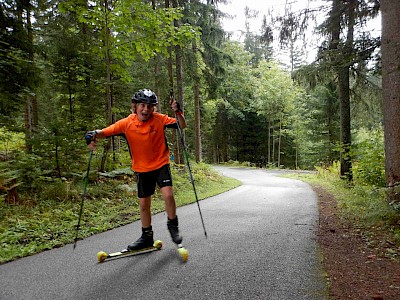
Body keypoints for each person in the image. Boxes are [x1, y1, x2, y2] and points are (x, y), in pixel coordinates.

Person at [84, 89, 186, 250]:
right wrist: (92, 134)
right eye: (142, 105)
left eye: (150, 106)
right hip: (141, 169)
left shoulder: (159, 120)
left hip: (161, 164)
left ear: (154, 108)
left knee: (168, 195)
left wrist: (178, 112)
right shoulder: (127, 123)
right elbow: (105, 132)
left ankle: (173, 225)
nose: (146, 110)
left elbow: (181, 125)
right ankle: (146, 236)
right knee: (144, 204)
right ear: (135, 106)